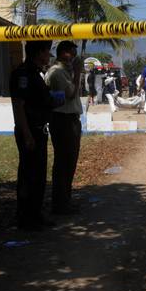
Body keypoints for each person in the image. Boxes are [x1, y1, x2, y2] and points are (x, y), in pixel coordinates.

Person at [10, 40, 58, 230]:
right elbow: (18, 106)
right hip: (29, 131)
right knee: (29, 175)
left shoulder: (36, 73)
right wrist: (27, 134)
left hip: (38, 130)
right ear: (38, 53)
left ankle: (35, 214)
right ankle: (26, 217)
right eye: (47, 51)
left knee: (38, 175)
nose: (49, 54)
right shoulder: (23, 74)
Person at [45, 40, 83, 215]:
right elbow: (70, 94)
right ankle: (60, 204)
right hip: (63, 120)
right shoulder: (56, 73)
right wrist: (77, 72)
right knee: (63, 162)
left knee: (70, 162)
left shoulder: (64, 71)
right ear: (62, 53)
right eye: (71, 53)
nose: (73, 57)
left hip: (71, 119)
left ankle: (64, 201)